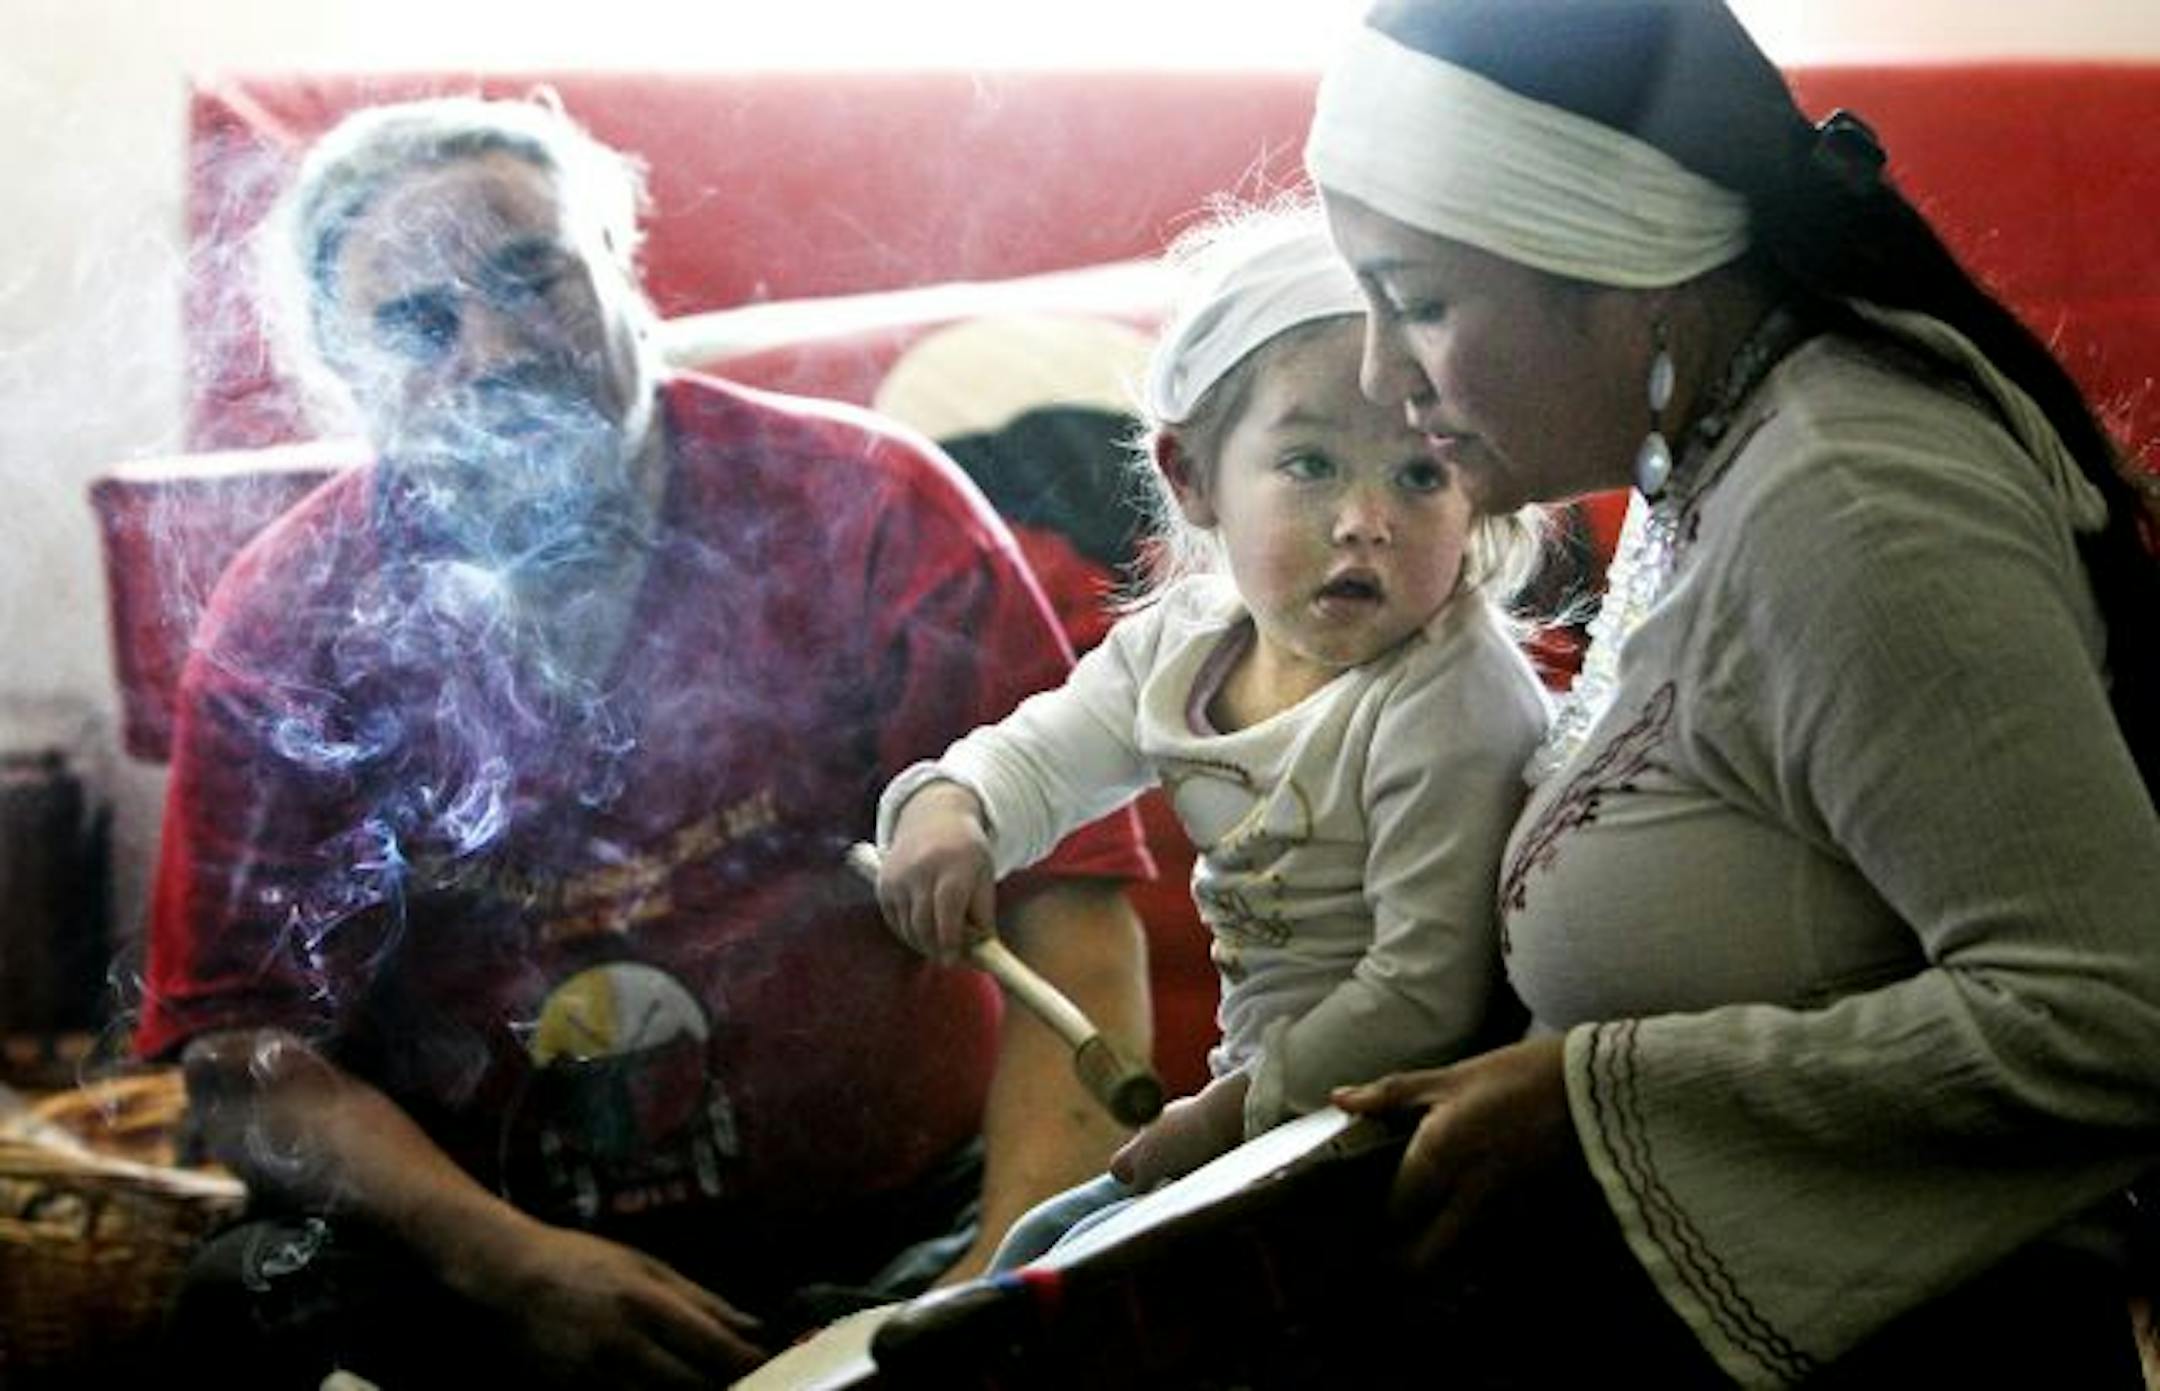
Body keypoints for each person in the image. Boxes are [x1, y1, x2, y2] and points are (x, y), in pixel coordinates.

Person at [131, 95, 1156, 1389]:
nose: (495, 353)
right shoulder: (285, 619)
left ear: (627, 272)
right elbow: (245, 1060)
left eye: (532, 280)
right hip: (485, 1273)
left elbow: (1070, 914)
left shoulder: (873, 512)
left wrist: (980, 1296)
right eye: (420, 322)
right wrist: (510, 1261)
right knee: (245, 1305)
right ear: (346, 365)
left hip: (911, 1232)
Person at [1297, 0, 2160, 1384]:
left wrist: (1595, 1098)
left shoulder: (1851, 500)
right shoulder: (1701, 438)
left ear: (1622, 264)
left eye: (1420, 299)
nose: (1378, 372)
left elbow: (2117, 1012)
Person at [871, 210, 1549, 1266]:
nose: (1365, 518)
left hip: (1404, 1126)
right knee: (1040, 1253)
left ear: (1483, 490)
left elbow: (1427, 993)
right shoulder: (1183, 646)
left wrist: (1227, 1116)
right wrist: (952, 805)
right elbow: (1044, 754)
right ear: (1192, 477)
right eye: (1312, 462)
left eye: (1420, 474)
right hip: (1269, 1108)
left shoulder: (1448, 699)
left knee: (1065, 1274)